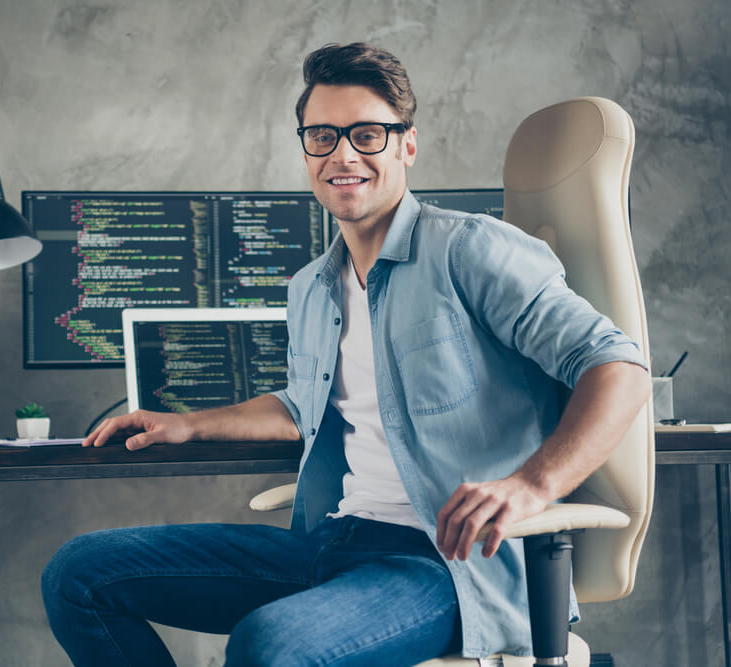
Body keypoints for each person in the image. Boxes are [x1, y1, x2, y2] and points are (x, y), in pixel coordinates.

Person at [41, 42, 651, 666]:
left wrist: (530, 485)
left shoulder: (470, 250)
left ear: (406, 145)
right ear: (305, 149)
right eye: (323, 136)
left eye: (367, 134)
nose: (343, 155)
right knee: (78, 574)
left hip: (445, 566)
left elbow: (618, 367)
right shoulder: (311, 287)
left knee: (267, 644)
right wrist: (186, 425)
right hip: (333, 542)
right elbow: (304, 406)